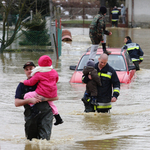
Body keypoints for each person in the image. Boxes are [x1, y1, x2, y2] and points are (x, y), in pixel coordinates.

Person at [15, 61, 58, 141]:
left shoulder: (43, 80)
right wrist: (29, 100)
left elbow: (56, 97)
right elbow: (16, 103)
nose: (29, 71)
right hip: (31, 115)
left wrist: (43, 99)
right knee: (31, 141)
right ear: (25, 72)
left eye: (31, 68)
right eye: (26, 69)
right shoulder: (22, 85)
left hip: (46, 114)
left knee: (44, 141)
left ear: (36, 69)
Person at [21, 55, 63, 126]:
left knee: (27, 95)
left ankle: (34, 110)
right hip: (52, 93)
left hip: (41, 93)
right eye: (27, 69)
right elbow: (56, 80)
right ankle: (58, 117)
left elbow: (31, 82)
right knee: (51, 104)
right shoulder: (54, 72)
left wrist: (23, 82)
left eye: (30, 68)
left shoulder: (38, 73)